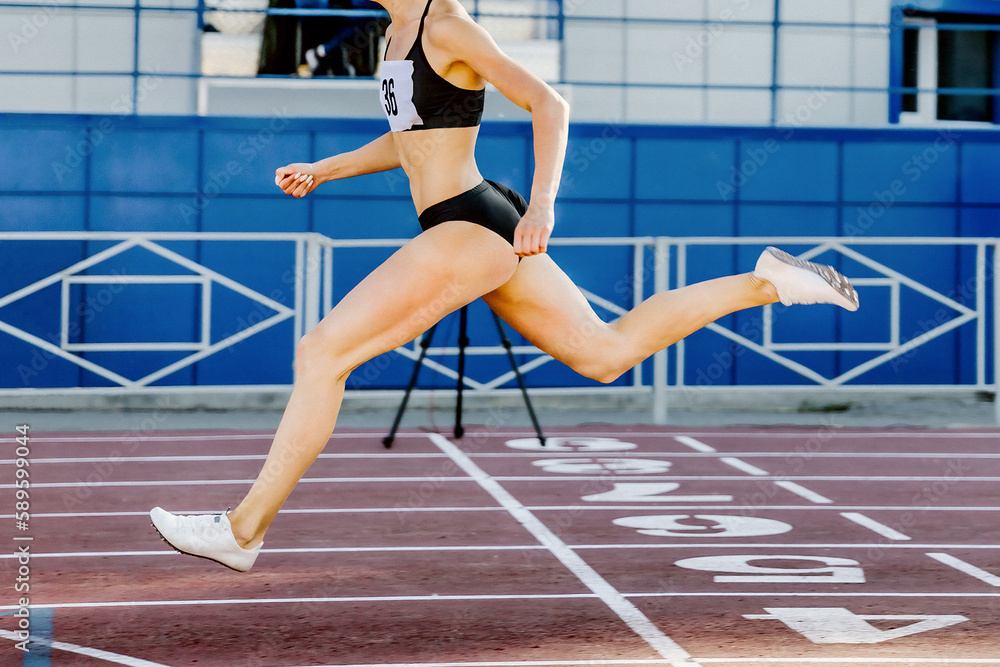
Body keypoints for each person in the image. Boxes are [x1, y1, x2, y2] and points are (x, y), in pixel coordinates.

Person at [151, 0, 859, 572]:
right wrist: (325, 168)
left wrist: (545, 205)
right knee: (605, 353)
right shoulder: (395, 34)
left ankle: (242, 531)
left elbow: (548, 106)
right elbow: (409, 143)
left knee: (321, 354)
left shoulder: (449, 25)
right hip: (473, 219)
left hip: (474, 225)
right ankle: (772, 283)